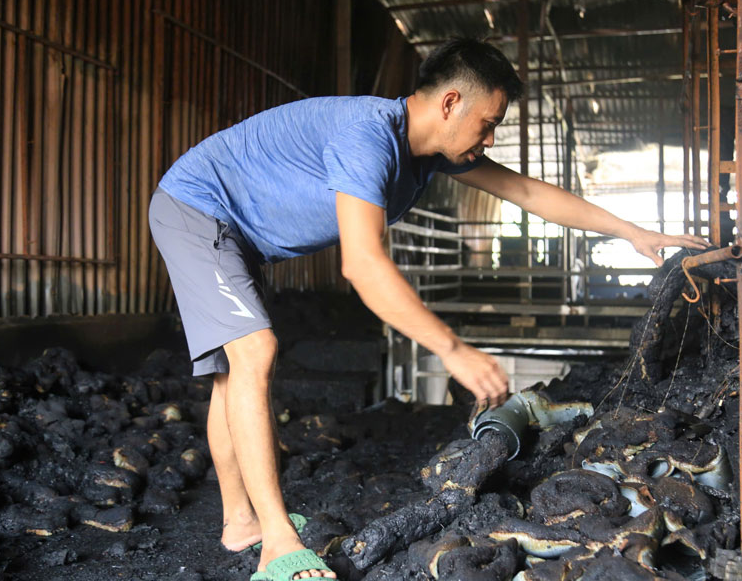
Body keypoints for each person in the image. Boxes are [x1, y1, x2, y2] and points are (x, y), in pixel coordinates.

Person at [149, 38, 707, 581]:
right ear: (449, 103)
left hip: (235, 234)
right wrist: (452, 349)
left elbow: (529, 194)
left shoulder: (427, 156)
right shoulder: (367, 137)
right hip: (198, 208)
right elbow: (362, 265)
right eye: (488, 123)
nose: (488, 139)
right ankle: (276, 542)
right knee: (255, 350)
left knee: (234, 373)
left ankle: (242, 523)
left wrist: (633, 232)